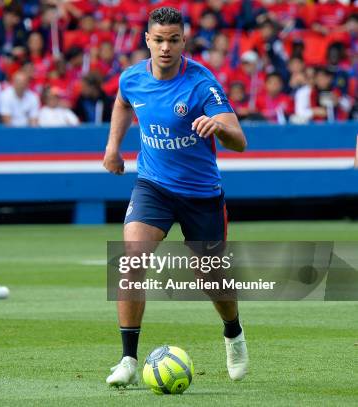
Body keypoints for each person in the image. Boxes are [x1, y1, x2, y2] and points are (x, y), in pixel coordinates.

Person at [102, 7, 248, 387]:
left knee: (211, 276)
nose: (165, 47)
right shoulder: (132, 78)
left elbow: (240, 141)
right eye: (158, 40)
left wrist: (218, 125)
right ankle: (128, 359)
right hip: (153, 186)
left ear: (183, 41)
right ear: (146, 40)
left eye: (173, 40)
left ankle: (233, 331)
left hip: (201, 194)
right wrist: (113, 147)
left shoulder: (202, 83)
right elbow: (121, 102)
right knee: (130, 261)